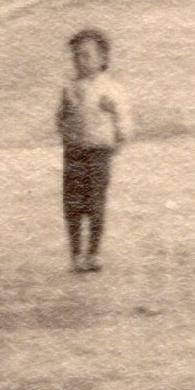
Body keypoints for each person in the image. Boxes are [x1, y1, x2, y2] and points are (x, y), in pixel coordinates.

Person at [55, 28, 133, 273]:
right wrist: (65, 127)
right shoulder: (69, 88)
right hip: (74, 151)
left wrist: (119, 139)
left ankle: (94, 252)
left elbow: (123, 119)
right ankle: (76, 253)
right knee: (72, 202)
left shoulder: (110, 90)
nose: (80, 61)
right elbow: (60, 118)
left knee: (96, 201)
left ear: (103, 60)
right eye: (76, 56)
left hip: (99, 151)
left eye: (86, 56)